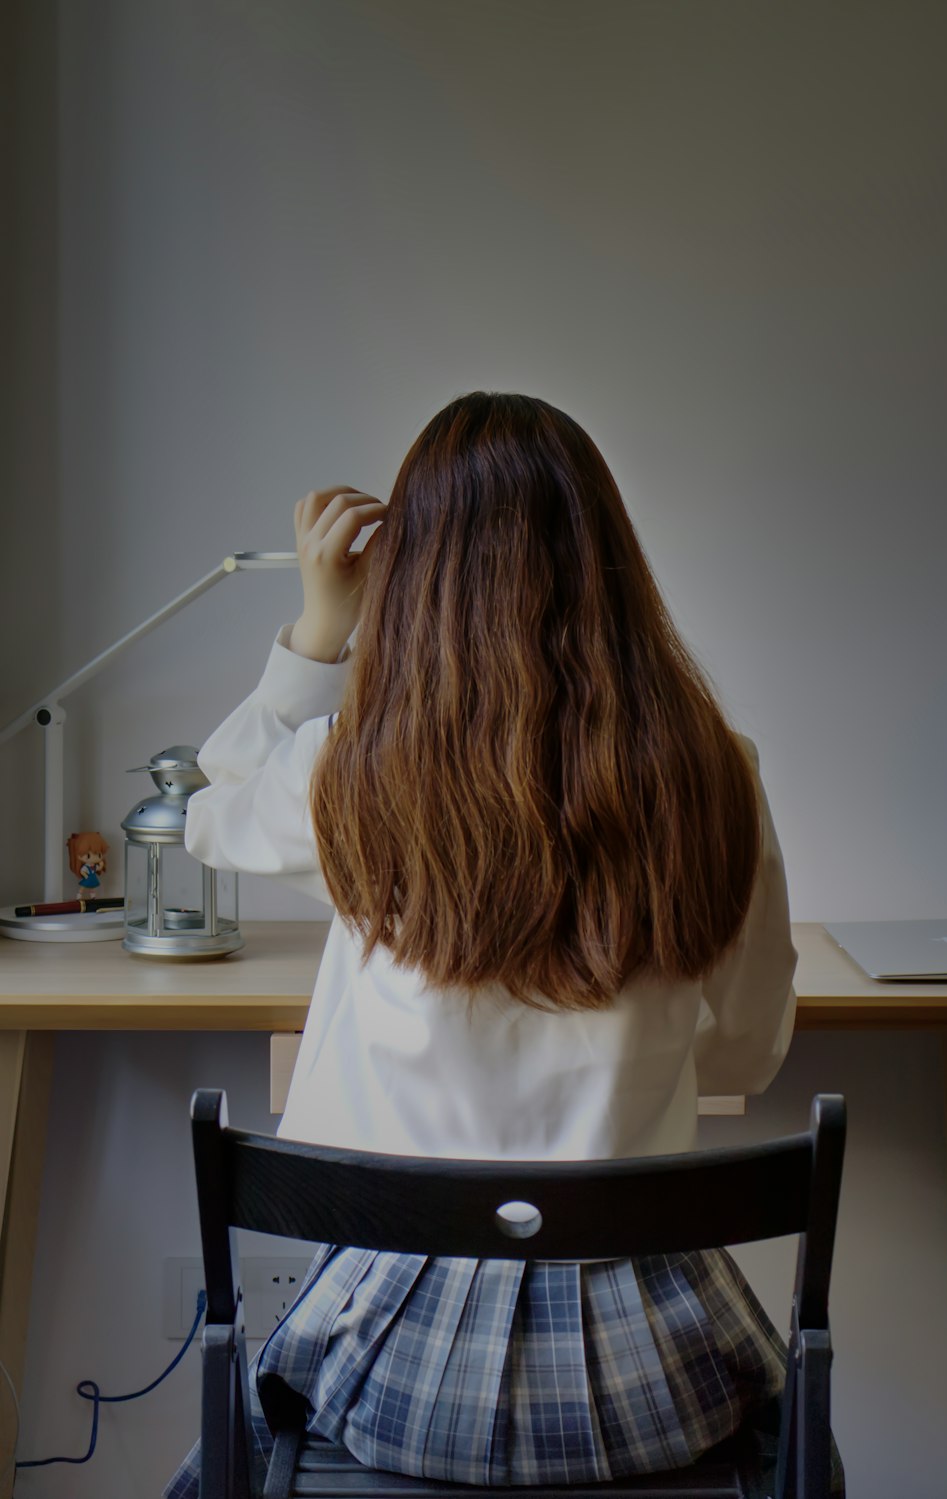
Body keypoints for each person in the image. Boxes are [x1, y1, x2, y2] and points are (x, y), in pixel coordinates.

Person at [164, 392, 816, 1496]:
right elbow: (749, 1056)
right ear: (608, 558)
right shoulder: (716, 770)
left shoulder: (353, 772)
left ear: (413, 571)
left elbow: (209, 816)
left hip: (394, 1381)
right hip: (651, 1385)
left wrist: (321, 628)